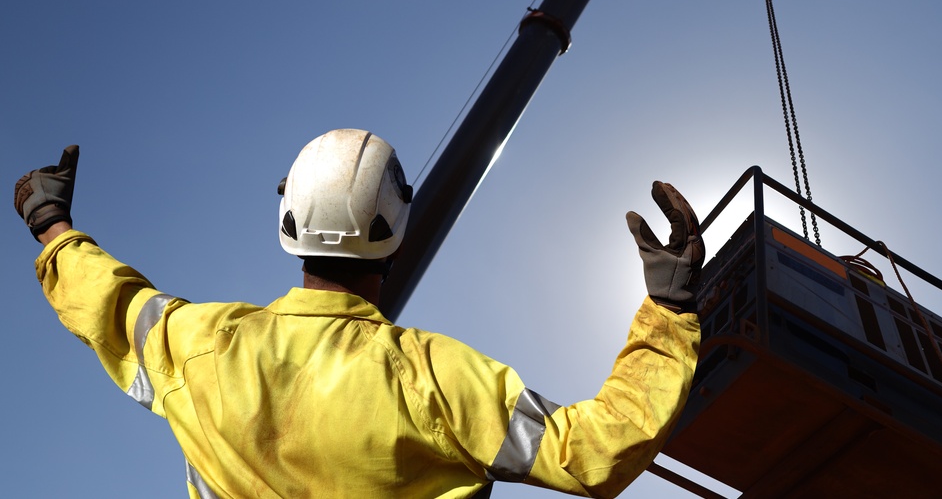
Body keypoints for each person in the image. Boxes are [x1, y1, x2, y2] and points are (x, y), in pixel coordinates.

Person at [15, 129, 704, 499]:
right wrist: (668, 311)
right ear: (396, 236)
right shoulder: (437, 379)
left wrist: (50, 222)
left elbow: (108, 298)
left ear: (288, 222)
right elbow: (593, 454)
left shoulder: (197, 345)